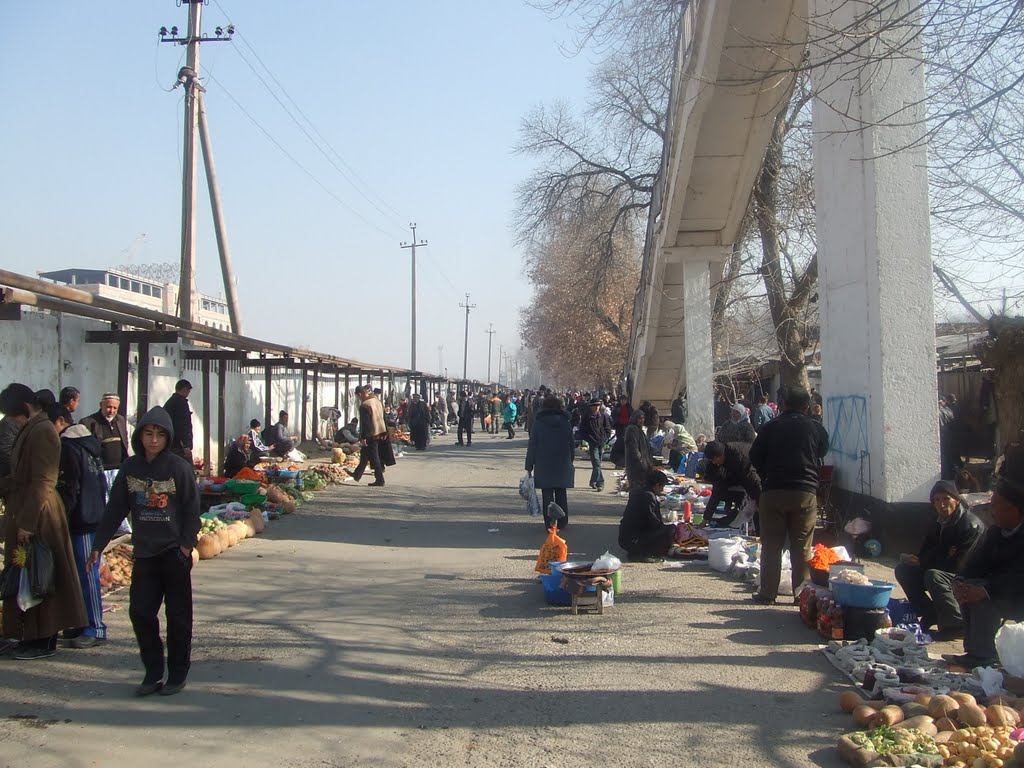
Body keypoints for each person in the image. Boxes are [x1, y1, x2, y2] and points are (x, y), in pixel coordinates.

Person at [88, 406, 200, 695]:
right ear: (140, 436)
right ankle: (152, 671)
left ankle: (177, 673)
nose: (153, 440)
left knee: (178, 617)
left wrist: (186, 547)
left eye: (159, 435)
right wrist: (98, 545)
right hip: (146, 553)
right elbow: (115, 509)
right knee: (140, 612)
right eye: (148, 434)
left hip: (174, 553)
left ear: (167, 438)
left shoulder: (178, 468)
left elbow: (191, 509)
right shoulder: (131, 468)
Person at [0, 386, 87, 661]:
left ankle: (44, 638)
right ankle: (30, 634)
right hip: (26, 508)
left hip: (40, 514)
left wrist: (28, 522)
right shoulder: (33, 428)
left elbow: (43, 480)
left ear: (25, 407)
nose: (11, 422)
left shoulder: (43, 430)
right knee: (29, 577)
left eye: (13, 415)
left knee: (42, 576)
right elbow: (22, 476)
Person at [941, 448, 1024, 668]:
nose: (991, 512)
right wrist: (960, 582)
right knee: (968, 586)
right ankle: (974, 649)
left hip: (1017, 595)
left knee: (982, 595)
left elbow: (1018, 578)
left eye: (995, 507)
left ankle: (982, 655)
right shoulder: (995, 534)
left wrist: (987, 589)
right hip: (998, 588)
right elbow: (973, 564)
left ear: (1014, 510)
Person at [748, 385, 830, 605]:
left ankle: (767, 593)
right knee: (801, 545)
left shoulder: (769, 427)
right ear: (807, 406)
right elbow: (823, 451)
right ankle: (800, 594)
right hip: (804, 493)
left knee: (772, 544)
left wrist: (767, 473)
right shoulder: (816, 428)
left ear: (783, 404)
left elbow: (754, 456)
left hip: (773, 491)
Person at [894, 481, 983, 641]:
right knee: (904, 570)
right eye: (937, 500)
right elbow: (924, 553)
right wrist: (944, 553)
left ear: (956, 500)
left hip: (969, 576)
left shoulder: (970, 525)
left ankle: (955, 624)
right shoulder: (938, 522)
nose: (942, 505)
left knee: (933, 575)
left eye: (946, 499)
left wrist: (933, 557)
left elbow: (959, 565)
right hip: (942, 568)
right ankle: (930, 613)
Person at [52, 411, 108, 649]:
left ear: (60, 422)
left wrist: (60, 515)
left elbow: (70, 486)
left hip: (82, 519)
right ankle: (79, 622)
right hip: (94, 515)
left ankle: (95, 627)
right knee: (80, 574)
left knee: (87, 574)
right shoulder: (89, 443)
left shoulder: (69, 447)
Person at [525, 394, 575, 530]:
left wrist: (529, 465)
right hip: (562, 462)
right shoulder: (566, 423)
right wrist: (570, 460)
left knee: (547, 494)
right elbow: (571, 444)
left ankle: (550, 523)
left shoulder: (539, 423)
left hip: (543, 463)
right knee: (561, 492)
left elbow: (533, 445)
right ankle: (563, 522)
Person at [618, 469, 682, 561]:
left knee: (668, 530)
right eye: (662, 487)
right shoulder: (648, 496)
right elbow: (653, 523)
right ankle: (642, 553)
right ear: (657, 485)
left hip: (625, 537)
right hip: (634, 540)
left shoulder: (638, 492)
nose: (662, 490)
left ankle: (640, 550)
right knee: (670, 530)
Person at [702, 440, 762, 530]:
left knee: (757, 508)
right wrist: (706, 518)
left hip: (760, 474)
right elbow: (717, 490)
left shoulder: (739, 458)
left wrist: (759, 501)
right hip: (743, 480)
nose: (714, 463)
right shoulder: (716, 463)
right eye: (712, 461)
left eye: (715, 460)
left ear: (721, 455)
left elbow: (753, 481)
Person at [79, 394, 130, 471]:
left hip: (120, 469)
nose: (111, 411)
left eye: (115, 408)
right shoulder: (88, 422)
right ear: (101, 405)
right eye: (108, 407)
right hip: (99, 470)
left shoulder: (121, 420)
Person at [352, 385, 387, 487]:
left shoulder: (365, 405)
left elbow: (365, 423)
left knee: (374, 456)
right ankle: (357, 474)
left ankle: (380, 479)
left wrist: (363, 437)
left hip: (371, 434)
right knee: (364, 453)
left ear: (360, 394)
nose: (359, 399)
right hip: (380, 431)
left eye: (358, 397)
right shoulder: (377, 401)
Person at [579, 398, 611, 491]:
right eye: (594, 406)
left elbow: (608, 428)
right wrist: (588, 439)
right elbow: (582, 430)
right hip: (593, 443)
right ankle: (600, 483)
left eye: (598, 405)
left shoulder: (603, 416)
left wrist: (605, 438)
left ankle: (593, 481)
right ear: (591, 407)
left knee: (598, 464)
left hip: (601, 442)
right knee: (596, 463)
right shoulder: (587, 417)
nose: (596, 407)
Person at [162, 380, 194, 463]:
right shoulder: (181, 403)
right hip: (178, 446)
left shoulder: (171, 402)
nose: (188, 394)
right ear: (184, 390)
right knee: (185, 470)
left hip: (170, 443)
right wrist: (185, 445)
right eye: (188, 391)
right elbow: (181, 426)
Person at [624, 410, 653, 491]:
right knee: (636, 486)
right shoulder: (632, 429)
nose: (642, 420)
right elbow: (633, 447)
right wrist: (640, 461)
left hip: (641, 463)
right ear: (635, 419)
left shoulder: (639, 430)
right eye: (639, 418)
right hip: (635, 465)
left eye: (643, 418)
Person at [610, 394, 632, 469]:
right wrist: (617, 421)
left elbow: (632, 415)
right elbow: (613, 416)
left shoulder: (629, 407)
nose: (623, 402)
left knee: (626, 445)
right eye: (622, 400)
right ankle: (619, 462)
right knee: (619, 444)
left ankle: (624, 463)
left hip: (627, 427)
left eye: (624, 400)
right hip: (619, 427)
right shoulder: (617, 407)